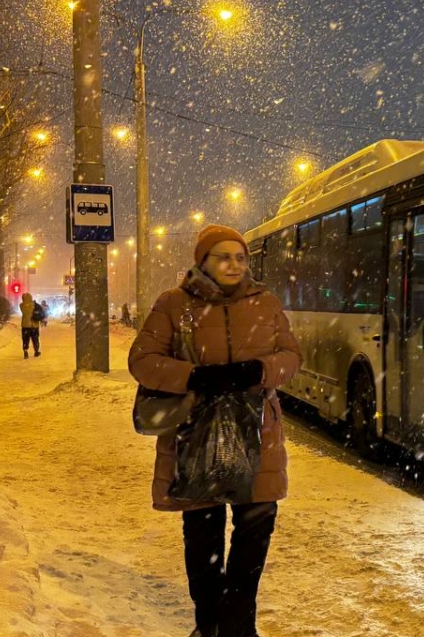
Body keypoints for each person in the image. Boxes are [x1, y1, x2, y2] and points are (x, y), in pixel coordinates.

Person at [129, 225, 301, 637]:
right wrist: (195, 377)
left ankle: (240, 627)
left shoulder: (266, 303)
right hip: (194, 437)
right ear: (202, 261)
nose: (233, 265)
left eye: (240, 257)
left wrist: (259, 370)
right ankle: (208, 625)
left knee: (253, 538)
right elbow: (142, 360)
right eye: (223, 257)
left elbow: (292, 355)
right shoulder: (174, 304)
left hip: (258, 437)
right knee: (203, 540)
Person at [19, 292, 41, 359]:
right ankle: (36, 351)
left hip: (25, 326)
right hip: (34, 325)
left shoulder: (21, 305)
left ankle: (25, 351)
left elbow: (24, 311)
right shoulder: (34, 305)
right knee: (35, 339)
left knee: (25, 339)